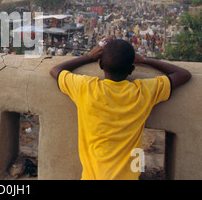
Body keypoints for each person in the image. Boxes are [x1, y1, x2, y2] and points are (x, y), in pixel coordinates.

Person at [49, 39, 191, 180]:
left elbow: (55, 70)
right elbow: (184, 74)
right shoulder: (143, 92)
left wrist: (87, 57)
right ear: (132, 69)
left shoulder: (86, 88)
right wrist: (145, 60)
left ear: (100, 64)